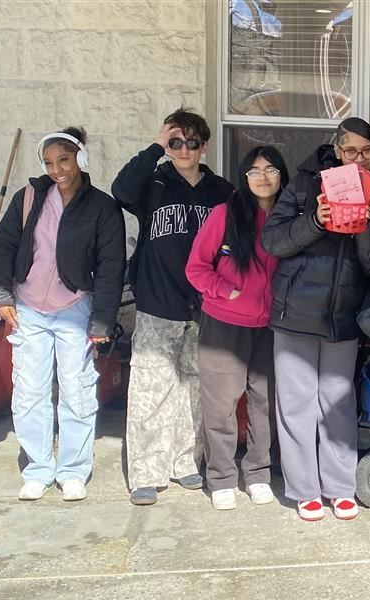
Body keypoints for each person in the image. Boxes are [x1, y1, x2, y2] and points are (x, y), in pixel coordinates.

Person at [0, 127, 126, 502]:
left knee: (77, 390)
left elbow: (112, 266)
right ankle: (39, 468)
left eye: (64, 159)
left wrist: (101, 320)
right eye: (48, 162)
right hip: (28, 306)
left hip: (74, 307)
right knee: (29, 390)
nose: (57, 169)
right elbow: (4, 246)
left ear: (80, 159)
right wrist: (1, 295)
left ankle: (73, 470)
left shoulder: (102, 206)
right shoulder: (28, 198)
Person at [261, 117, 370, 522]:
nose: (358, 159)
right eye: (351, 151)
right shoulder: (302, 183)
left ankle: (339, 487)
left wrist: (365, 223)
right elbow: (273, 241)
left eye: (367, 152)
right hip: (296, 311)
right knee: (296, 404)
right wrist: (316, 220)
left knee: (337, 403)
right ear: (336, 149)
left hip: (342, 315)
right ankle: (303, 489)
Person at [112, 108, 233, 506]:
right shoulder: (154, 184)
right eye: (175, 142)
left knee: (194, 388)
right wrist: (155, 147)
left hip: (204, 305)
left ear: (205, 146)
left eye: (191, 142)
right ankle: (146, 471)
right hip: (157, 300)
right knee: (151, 387)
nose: (183, 149)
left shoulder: (221, 191)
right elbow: (121, 189)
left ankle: (185, 462)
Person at [186, 145, 289, 511]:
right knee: (221, 405)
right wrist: (226, 291)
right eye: (254, 171)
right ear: (244, 178)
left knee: (265, 403)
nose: (263, 177)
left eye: (271, 169)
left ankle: (259, 473)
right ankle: (222, 478)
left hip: (271, 326)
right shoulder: (225, 214)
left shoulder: (288, 217)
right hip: (224, 325)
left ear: (282, 175)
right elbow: (196, 268)